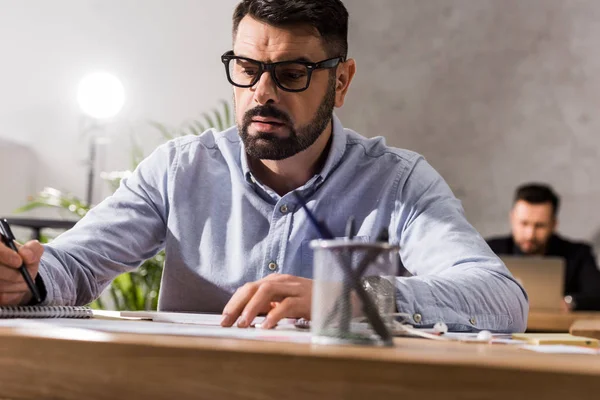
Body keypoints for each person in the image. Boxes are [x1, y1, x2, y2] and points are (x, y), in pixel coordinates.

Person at [0, 0, 527, 332]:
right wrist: (22, 280)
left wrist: (348, 299)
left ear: (340, 82)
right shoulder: (179, 169)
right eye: (247, 69)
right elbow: (74, 264)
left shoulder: (398, 182)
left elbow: (499, 297)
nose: (261, 93)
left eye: (291, 73)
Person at [487, 183, 600, 311]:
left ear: (553, 224)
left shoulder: (578, 254)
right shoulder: (490, 250)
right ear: (512, 218)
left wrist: (570, 302)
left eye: (539, 226)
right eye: (524, 223)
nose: (530, 235)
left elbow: (597, 294)